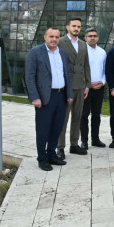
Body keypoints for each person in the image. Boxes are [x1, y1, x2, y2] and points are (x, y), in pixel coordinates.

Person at [25, 28, 73, 171]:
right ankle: (42, 159)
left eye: (57, 37)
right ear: (45, 37)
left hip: (61, 95)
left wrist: (69, 94)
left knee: (57, 128)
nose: (54, 39)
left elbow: (67, 74)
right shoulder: (35, 52)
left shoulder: (62, 53)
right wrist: (34, 97)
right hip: (45, 97)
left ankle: (52, 154)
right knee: (43, 129)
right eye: (51, 36)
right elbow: (29, 76)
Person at [57, 18, 91, 159]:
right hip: (66, 86)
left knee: (77, 116)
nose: (76, 28)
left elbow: (86, 65)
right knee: (63, 118)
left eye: (78, 26)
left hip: (81, 86)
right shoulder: (60, 42)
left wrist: (87, 85)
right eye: (74, 26)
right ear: (68, 27)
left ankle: (74, 144)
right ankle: (60, 148)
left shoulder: (83, 44)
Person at [80, 28, 107, 148]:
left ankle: (95, 139)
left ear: (98, 38)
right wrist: (88, 84)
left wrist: (102, 82)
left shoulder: (102, 52)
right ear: (85, 38)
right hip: (86, 88)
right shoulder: (81, 51)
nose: (92, 38)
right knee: (84, 115)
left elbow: (105, 70)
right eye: (90, 36)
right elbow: (79, 71)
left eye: (95, 36)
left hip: (99, 88)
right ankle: (84, 141)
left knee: (96, 115)